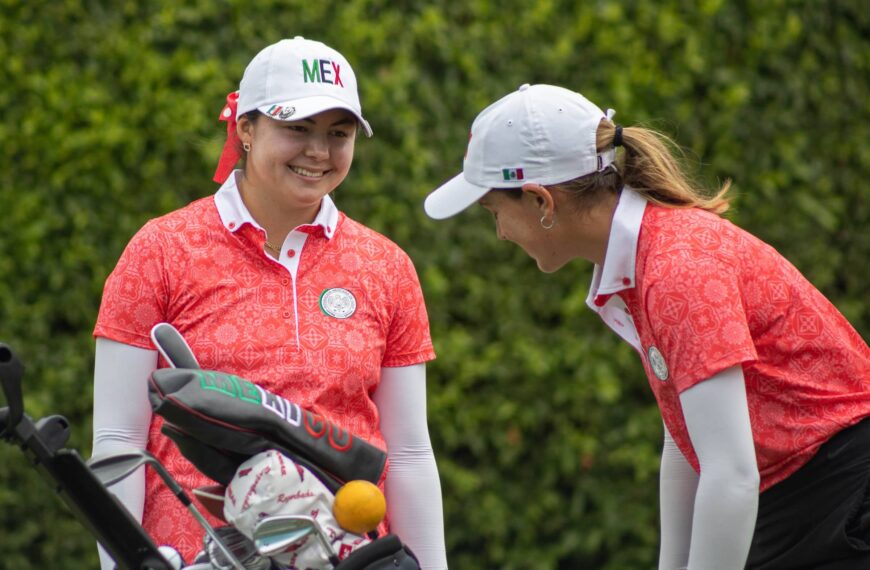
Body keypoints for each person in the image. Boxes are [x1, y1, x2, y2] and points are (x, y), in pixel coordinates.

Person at [423, 83, 870, 569]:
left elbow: (731, 475)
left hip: (843, 496)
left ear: (540, 202)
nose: (501, 233)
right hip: (803, 498)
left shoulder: (676, 268)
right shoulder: (645, 258)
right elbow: (686, 442)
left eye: (495, 212)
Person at [92, 37, 448, 569]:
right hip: (200, 557)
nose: (319, 152)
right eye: (297, 128)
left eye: (339, 133)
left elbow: (410, 454)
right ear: (246, 130)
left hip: (351, 557)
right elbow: (119, 440)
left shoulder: (386, 265)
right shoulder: (160, 251)